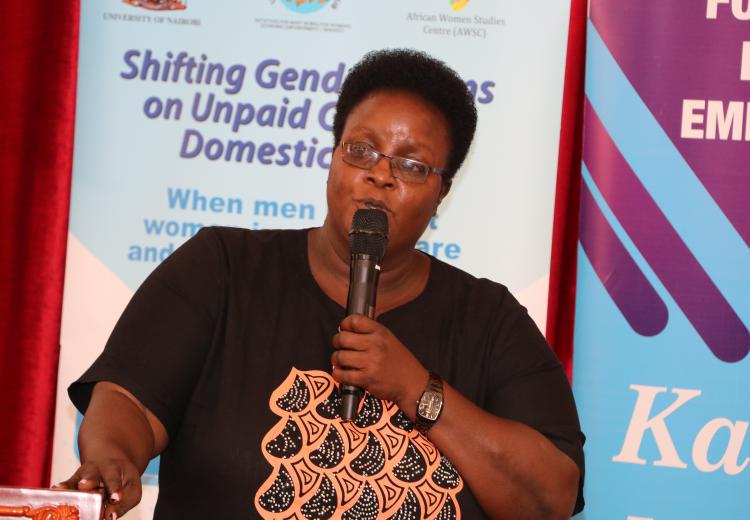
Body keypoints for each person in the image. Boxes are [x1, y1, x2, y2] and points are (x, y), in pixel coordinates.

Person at [60, 49, 585, 519]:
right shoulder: (223, 268)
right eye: (361, 150)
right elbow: (130, 398)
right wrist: (113, 458)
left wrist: (416, 389)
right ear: (333, 157)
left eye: (410, 165)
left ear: (442, 191)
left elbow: (549, 500)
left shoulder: (489, 322)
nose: (380, 175)